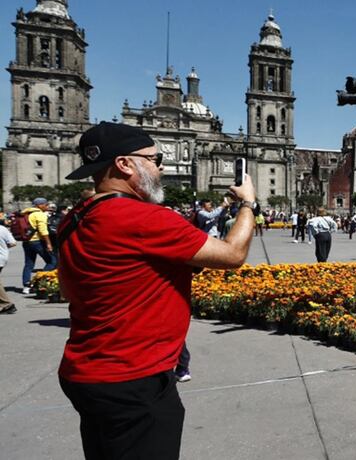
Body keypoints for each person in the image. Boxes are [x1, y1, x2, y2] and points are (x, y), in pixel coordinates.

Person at [56, 121, 260, 459]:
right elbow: (233, 254)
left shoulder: (74, 218)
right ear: (124, 164)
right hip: (134, 378)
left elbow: (68, 289)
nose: (161, 168)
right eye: (155, 159)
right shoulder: (145, 218)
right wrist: (248, 204)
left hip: (83, 373)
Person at [21, 197, 55, 294]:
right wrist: (48, 243)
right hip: (37, 241)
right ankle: (39, 282)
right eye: (46, 204)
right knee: (52, 261)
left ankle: (26, 286)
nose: (47, 206)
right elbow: (43, 230)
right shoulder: (39, 214)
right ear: (39, 205)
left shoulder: (26, 213)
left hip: (26, 241)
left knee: (29, 264)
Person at [1, 217, 19, 314]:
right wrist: (3, 247)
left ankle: (7, 304)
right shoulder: (3, 229)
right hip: (3, 257)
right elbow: (13, 243)